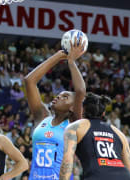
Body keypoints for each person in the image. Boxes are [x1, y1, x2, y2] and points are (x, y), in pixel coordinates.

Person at [24, 37, 87, 179]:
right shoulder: (43, 117)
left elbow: (81, 91)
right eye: (59, 94)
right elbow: (29, 81)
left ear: (72, 107)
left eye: (65, 97)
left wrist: (71, 61)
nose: (58, 96)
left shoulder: (73, 122)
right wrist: (59, 56)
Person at [60, 92, 130, 180]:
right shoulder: (119, 133)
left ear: (83, 109)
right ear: (103, 113)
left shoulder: (75, 127)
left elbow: (67, 161)